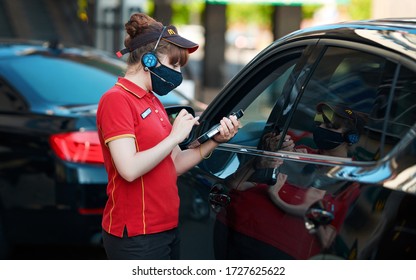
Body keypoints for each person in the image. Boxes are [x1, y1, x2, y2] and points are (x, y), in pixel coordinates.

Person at [96, 13, 240, 260]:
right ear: (149, 60)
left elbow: (172, 165)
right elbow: (128, 168)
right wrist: (174, 137)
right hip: (136, 234)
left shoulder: (153, 100)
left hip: (166, 226)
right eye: (174, 65)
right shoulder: (116, 100)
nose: (178, 73)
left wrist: (215, 140)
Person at [214, 102, 366, 259]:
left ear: (351, 138)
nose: (320, 128)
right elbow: (234, 185)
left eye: (329, 126)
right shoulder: (299, 153)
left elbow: (328, 240)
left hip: (278, 250)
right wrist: (262, 159)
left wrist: (295, 206)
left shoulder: (352, 181)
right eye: (318, 123)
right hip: (233, 230)